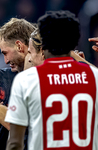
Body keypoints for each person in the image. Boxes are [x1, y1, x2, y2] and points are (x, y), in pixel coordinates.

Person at [5, 10, 98, 150]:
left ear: (43, 49)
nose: (28, 58)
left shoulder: (25, 80)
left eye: (30, 52)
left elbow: (14, 143)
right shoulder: (94, 76)